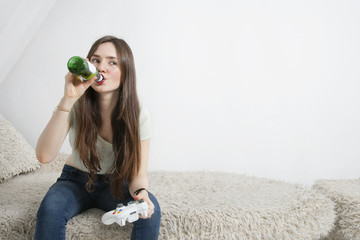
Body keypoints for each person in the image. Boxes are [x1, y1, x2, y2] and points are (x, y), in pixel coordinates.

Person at [34, 36, 161, 240]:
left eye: (112, 62)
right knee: (51, 208)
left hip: (117, 183)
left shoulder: (138, 115)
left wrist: (142, 193)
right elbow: (43, 156)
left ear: (126, 70)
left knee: (148, 213)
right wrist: (67, 100)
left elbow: (138, 173)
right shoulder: (75, 103)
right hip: (75, 180)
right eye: (95, 60)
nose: (101, 67)